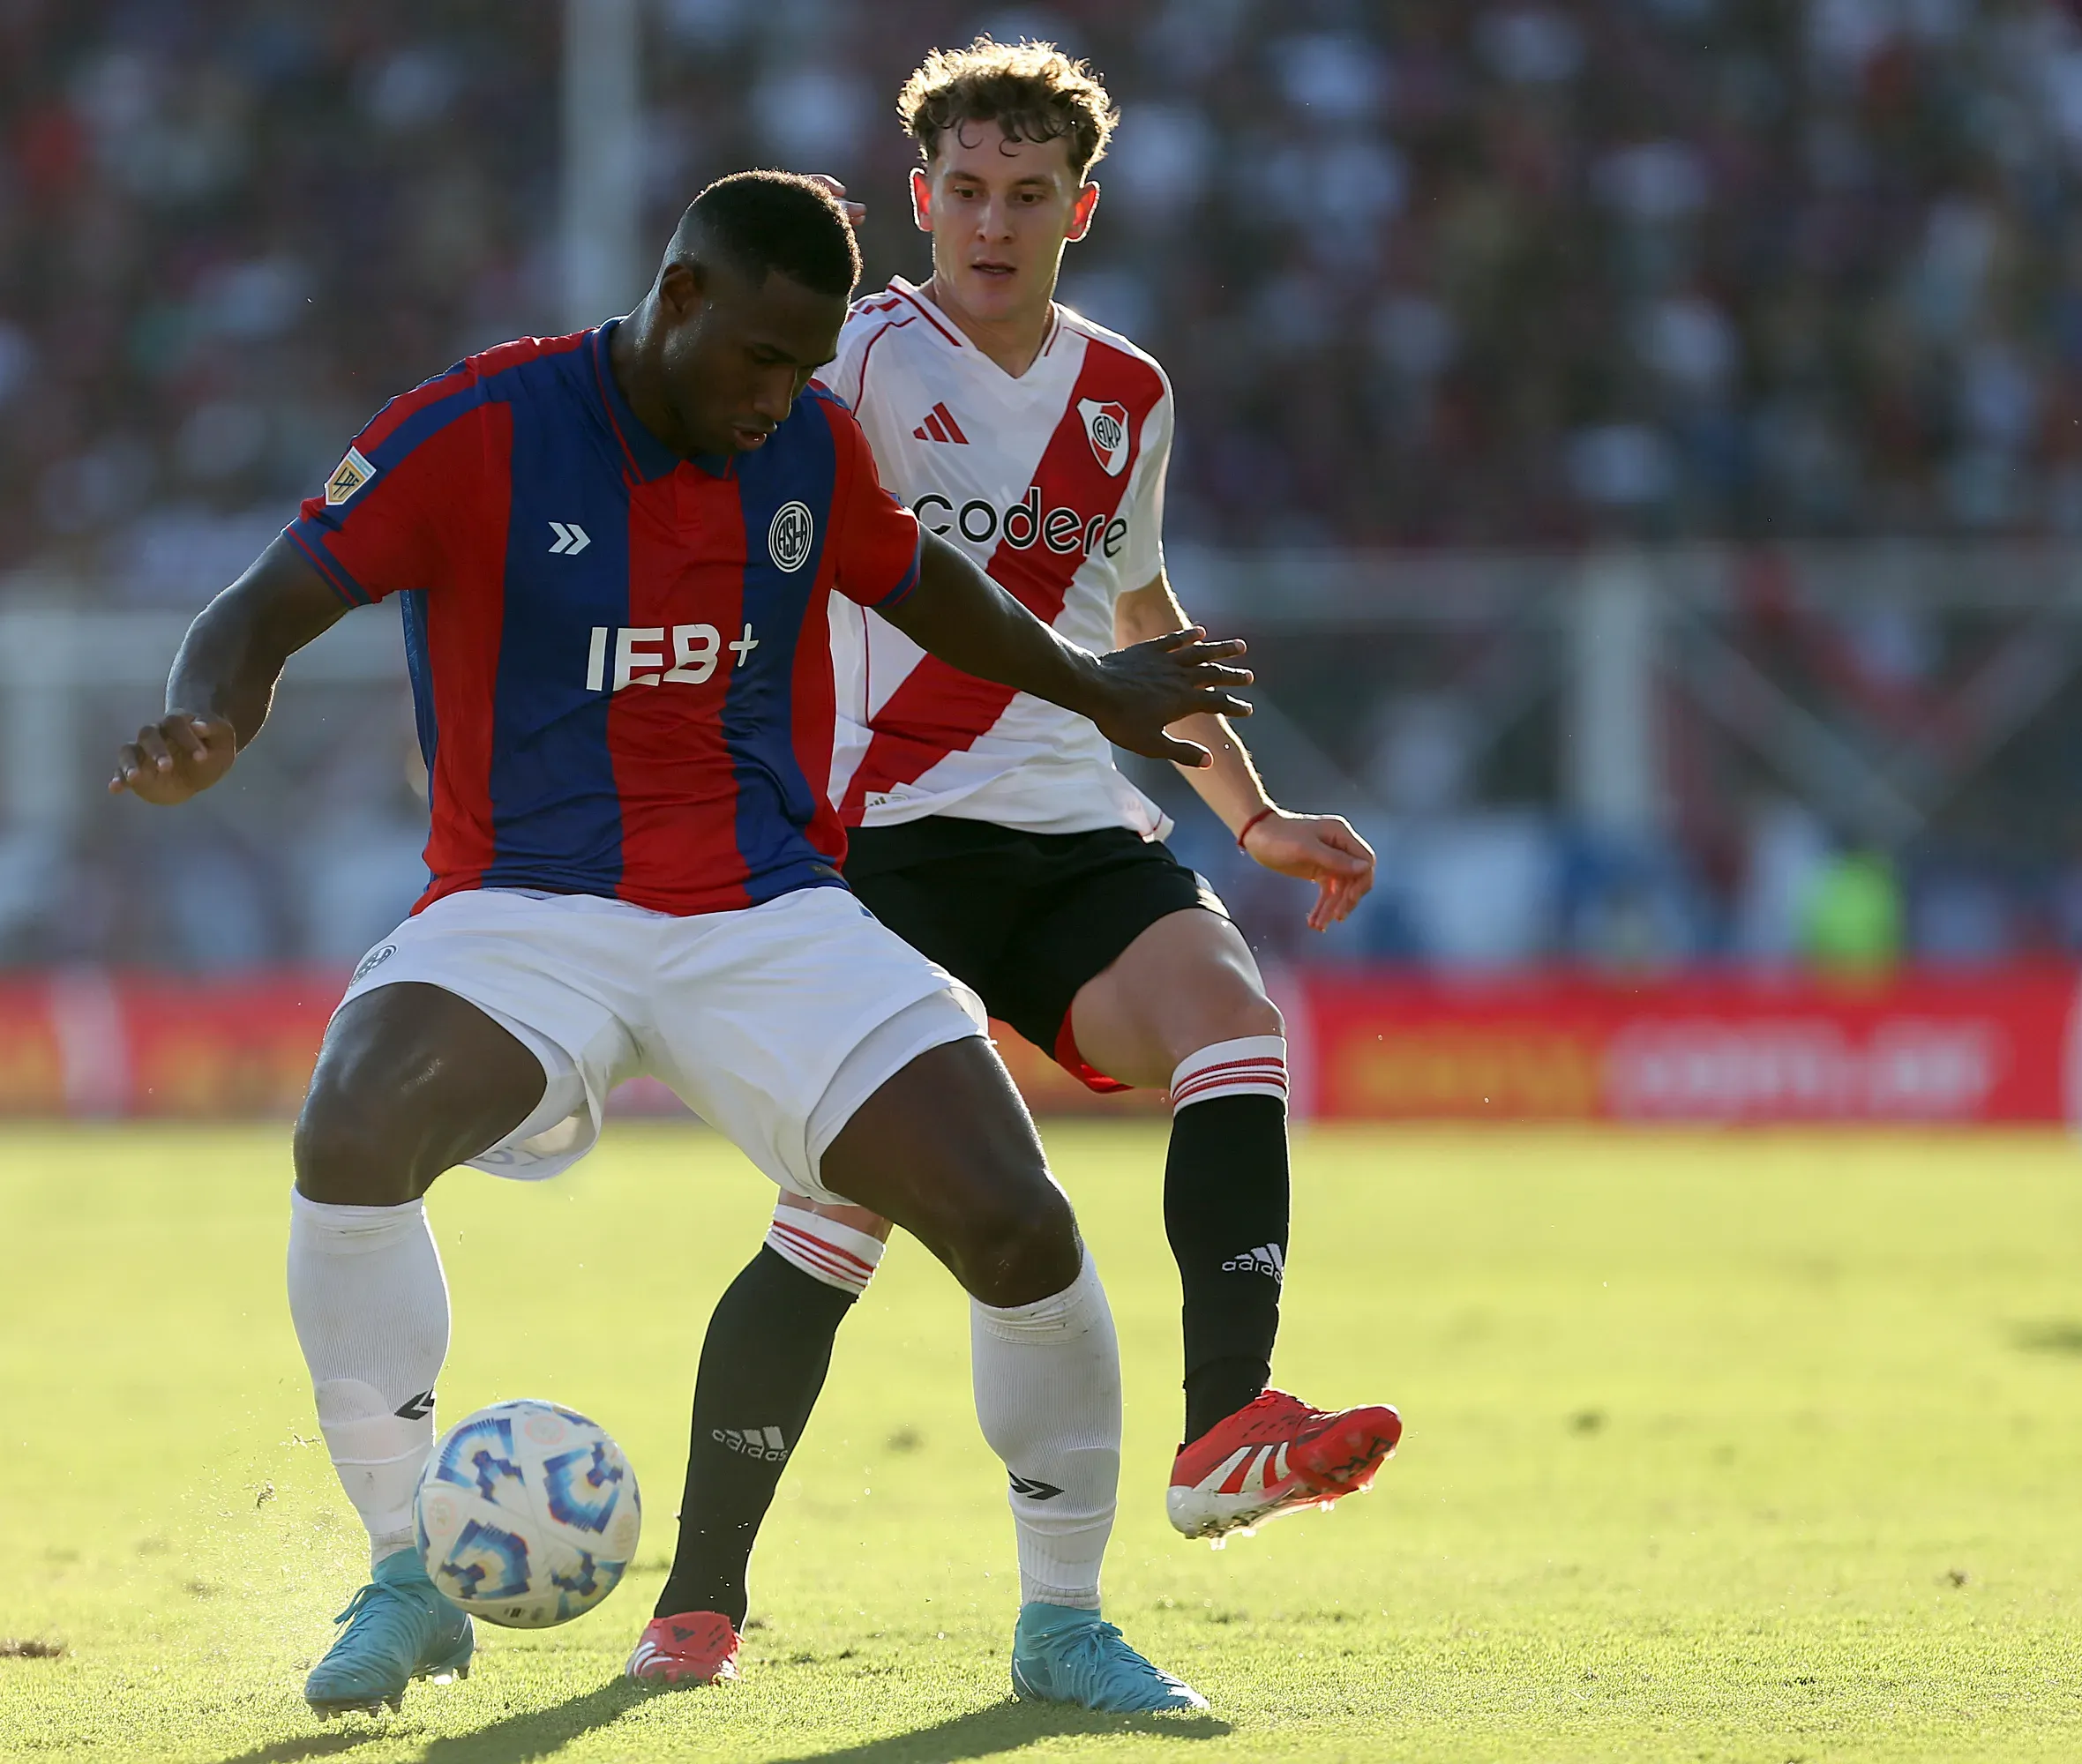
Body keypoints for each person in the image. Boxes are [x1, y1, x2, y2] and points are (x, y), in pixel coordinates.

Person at [111, 172, 1262, 1718]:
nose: (780, 398)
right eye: (761, 360)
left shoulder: (798, 441)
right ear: (680, 301)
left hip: (764, 911)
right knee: (353, 1128)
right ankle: (401, 1576)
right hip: (527, 907)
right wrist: (211, 722)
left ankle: (1064, 1630)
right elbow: (260, 607)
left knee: (1016, 1223)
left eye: (806, 366)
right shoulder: (482, 428)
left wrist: (1096, 686)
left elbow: (922, 583)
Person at [630, 43, 1402, 1689]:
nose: (993, 222)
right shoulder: (841, 367)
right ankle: (698, 1604)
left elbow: (1139, 623)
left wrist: (1250, 812)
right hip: (874, 846)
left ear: (1080, 210)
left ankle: (1223, 1434)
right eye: (966, 192)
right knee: (837, 1226)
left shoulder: (1127, 397)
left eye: (1028, 196)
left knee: (1233, 1022)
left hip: (1064, 828)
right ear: (920, 201)